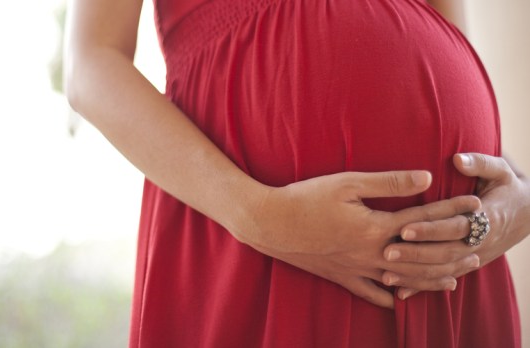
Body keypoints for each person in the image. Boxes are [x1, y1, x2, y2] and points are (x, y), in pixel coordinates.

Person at [65, 0, 530, 346]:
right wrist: (259, 216)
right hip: (258, 243)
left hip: (455, 269)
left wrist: (517, 195)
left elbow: (445, 36)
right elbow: (91, 62)